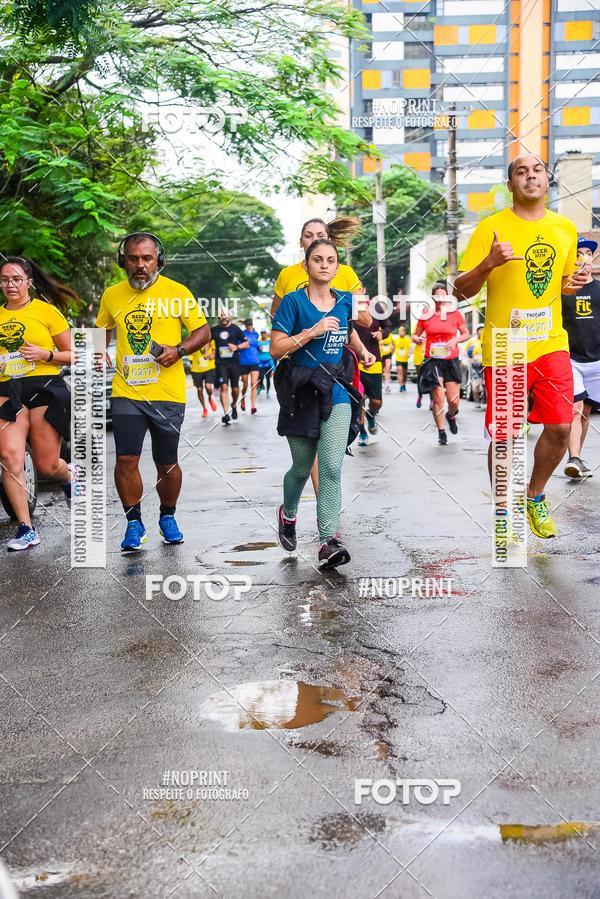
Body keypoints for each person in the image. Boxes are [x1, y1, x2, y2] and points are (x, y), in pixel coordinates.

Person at [454, 154, 586, 538]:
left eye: (537, 170)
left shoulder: (564, 228)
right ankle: (504, 511)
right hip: (505, 345)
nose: (530, 176)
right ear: (510, 184)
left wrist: (573, 284)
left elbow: (561, 284)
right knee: (507, 436)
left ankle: (534, 495)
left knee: (561, 425)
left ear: (548, 180)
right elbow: (460, 290)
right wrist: (488, 263)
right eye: (521, 172)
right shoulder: (490, 228)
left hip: (550, 342)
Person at [96, 232, 210, 551]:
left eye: (147, 258)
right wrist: (98, 351)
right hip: (127, 391)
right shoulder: (111, 295)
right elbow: (102, 329)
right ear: (123, 261)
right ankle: (133, 523)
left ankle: (167, 516)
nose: (140, 265)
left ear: (158, 260)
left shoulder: (177, 292)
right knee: (126, 458)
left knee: (167, 463)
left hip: (166, 392)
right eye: (133, 258)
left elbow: (203, 332)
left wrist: (179, 350)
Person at [270, 238, 375, 569]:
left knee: (330, 467)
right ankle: (288, 514)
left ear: (337, 267)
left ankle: (328, 541)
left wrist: (362, 350)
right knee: (302, 468)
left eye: (331, 260)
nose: (325, 265)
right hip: (300, 390)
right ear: (306, 265)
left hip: (336, 389)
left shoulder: (344, 300)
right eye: (318, 259)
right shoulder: (293, 302)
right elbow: (276, 348)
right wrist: (312, 331)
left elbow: (352, 329)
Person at [271, 216, 372, 495]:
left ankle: (325, 506)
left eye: (320, 235)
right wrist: (303, 330)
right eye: (308, 235)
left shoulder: (346, 273)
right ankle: (316, 501)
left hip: (335, 365)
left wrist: (362, 345)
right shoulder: (288, 276)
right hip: (299, 371)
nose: (314, 239)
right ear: (301, 244)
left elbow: (361, 320)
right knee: (304, 461)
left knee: (330, 459)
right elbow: (276, 317)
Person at [0, 257, 75, 551]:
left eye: (16, 279)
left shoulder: (46, 311)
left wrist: (46, 355)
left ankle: (68, 476)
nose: (10, 285)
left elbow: (73, 354)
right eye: (5, 279)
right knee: (10, 457)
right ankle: (26, 528)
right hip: (7, 389)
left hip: (43, 388)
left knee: (46, 465)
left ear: (29, 282)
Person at [562, 236, 600, 479]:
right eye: (578, 253)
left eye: (587, 253)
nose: (583, 257)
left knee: (585, 411)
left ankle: (577, 457)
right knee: (575, 409)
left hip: (597, 361)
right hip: (572, 359)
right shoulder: (562, 291)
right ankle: (573, 459)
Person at [413, 283, 469, 445]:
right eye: (437, 295)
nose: (440, 298)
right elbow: (415, 335)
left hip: (451, 359)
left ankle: (451, 415)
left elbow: (466, 333)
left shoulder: (455, 314)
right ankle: (441, 431)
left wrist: (455, 339)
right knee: (438, 397)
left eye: (443, 295)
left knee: (454, 400)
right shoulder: (426, 315)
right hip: (433, 360)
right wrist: (417, 339)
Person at [355, 310, 390, 446]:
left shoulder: (376, 307)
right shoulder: (348, 304)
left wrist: (382, 333)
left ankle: (371, 414)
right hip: (355, 359)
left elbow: (387, 327)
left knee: (377, 402)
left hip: (374, 360)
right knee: (359, 399)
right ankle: (362, 432)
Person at [211, 309, 249, 426]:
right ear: (219, 317)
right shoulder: (214, 330)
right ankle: (226, 413)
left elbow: (246, 343)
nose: (224, 317)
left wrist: (237, 347)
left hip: (234, 363)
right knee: (224, 387)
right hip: (221, 363)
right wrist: (207, 352)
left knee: (235, 389)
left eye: (225, 315)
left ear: (230, 317)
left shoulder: (235, 329)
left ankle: (233, 404)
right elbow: (206, 341)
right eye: (221, 315)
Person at [190, 338, 217, 418]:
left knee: (208, 387)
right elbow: (190, 356)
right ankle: (204, 408)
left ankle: (210, 398)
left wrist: (210, 356)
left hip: (209, 368)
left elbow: (214, 354)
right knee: (199, 389)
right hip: (196, 369)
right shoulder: (193, 340)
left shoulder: (211, 340)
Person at [239, 318, 260, 414]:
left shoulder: (256, 334)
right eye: (248, 325)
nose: (249, 326)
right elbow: (240, 346)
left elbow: (257, 345)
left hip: (254, 361)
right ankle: (243, 399)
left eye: (250, 324)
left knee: (254, 384)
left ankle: (253, 406)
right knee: (245, 385)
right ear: (245, 325)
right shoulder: (242, 334)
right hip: (243, 362)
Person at [465, 324, 485, 408]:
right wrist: (469, 359)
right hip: (474, 365)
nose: (481, 331)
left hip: (485, 365)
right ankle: (477, 401)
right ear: (477, 331)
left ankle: (484, 399)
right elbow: (465, 352)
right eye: (480, 329)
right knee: (476, 384)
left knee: (485, 384)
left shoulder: (488, 340)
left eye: (483, 329)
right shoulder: (472, 341)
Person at [393, 325, 412, 392]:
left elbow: (410, 348)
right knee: (399, 370)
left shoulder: (407, 339)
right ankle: (401, 385)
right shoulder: (396, 340)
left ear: (404, 332)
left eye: (402, 331)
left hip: (405, 359)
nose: (400, 332)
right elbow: (393, 347)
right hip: (398, 358)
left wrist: (409, 353)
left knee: (404, 373)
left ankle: (404, 384)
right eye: (399, 331)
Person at [257, 330, 274, 397]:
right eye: (262, 333)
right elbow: (256, 350)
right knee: (260, 377)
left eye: (264, 333)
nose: (264, 334)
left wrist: (273, 367)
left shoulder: (269, 342)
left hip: (268, 362)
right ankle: (260, 386)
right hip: (260, 363)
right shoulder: (258, 343)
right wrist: (258, 348)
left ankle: (267, 392)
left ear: (266, 334)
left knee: (268, 378)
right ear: (261, 334)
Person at [412, 337, 425, 408]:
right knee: (420, 379)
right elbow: (413, 339)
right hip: (418, 358)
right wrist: (416, 339)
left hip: (430, 355)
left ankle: (432, 400)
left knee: (432, 379)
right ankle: (420, 396)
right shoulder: (417, 330)